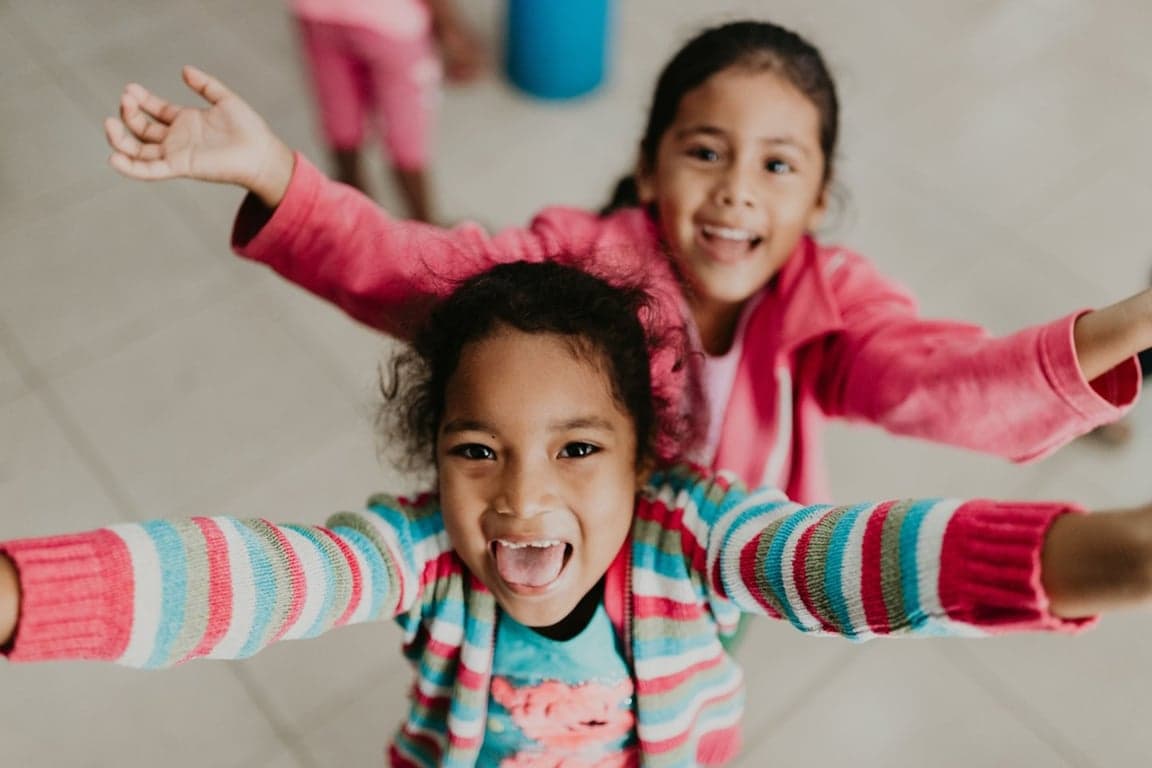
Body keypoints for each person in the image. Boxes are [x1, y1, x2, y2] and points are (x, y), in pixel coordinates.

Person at [2, 262, 1151, 767]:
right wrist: (22, 595)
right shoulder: (416, 552)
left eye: (579, 449)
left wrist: (1113, 553)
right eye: (476, 451)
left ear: (648, 457)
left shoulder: (692, 529)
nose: (521, 499)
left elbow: (835, 562)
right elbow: (254, 579)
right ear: (432, 459)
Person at [102, 20, 1149, 512]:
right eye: (706, 152)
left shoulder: (835, 306)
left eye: (779, 166)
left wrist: (1130, 321)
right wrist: (278, 175)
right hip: (577, 551)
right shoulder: (581, 262)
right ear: (648, 170)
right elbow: (424, 274)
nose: (739, 190)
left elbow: (942, 380)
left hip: (725, 563)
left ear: (819, 199)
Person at [290, 0, 485, 221]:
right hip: (392, 25)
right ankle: (424, 226)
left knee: (340, 118)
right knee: (406, 136)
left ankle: (354, 218)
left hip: (317, 15)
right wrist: (451, 29)